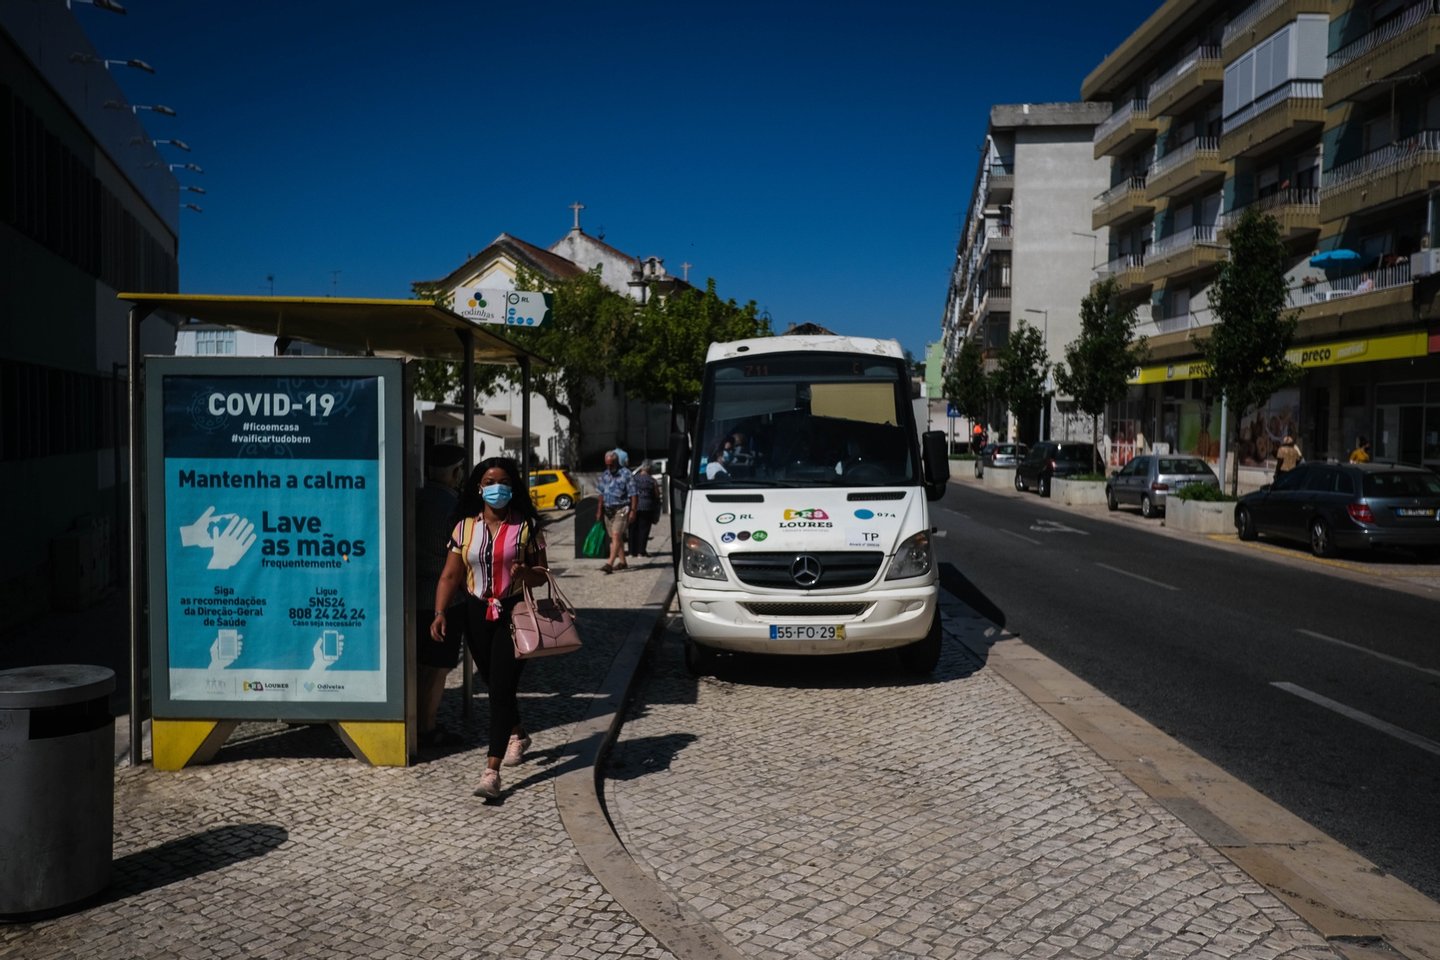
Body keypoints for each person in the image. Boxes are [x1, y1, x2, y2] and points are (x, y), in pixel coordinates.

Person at [431, 457, 547, 799]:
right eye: (490, 481)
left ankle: (491, 771)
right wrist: (439, 612)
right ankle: (518, 732)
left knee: (499, 688)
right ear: (479, 487)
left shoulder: (527, 527)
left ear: (512, 487)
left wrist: (528, 573)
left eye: (504, 481)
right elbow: (451, 574)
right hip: (475, 611)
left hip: (514, 613)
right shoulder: (464, 528)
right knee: (493, 681)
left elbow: (542, 574)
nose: (497, 488)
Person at [415, 443, 468, 749]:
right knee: (438, 668)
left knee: (420, 664)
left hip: (414, 595)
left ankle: (415, 720)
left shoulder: (417, 499)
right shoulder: (454, 508)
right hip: (445, 599)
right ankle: (428, 725)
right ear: (455, 473)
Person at [595, 449, 636, 574]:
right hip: (608, 511)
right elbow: (601, 493)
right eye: (607, 464)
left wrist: (633, 510)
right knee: (614, 537)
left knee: (617, 535)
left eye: (611, 464)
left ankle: (610, 563)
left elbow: (633, 493)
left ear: (617, 462)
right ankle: (623, 562)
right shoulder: (605, 475)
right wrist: (599, 510)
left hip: (621, 509)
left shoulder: (626, 474)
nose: (609, 466)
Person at [630, 461, 659, 558]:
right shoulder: (652, 481)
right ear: (649, 469)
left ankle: (632, 551)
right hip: (647, 507)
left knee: (633, 529)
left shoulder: (634, 479)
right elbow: (656, 495)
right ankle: (641, 551)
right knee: (644, 529)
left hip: (634, 506)